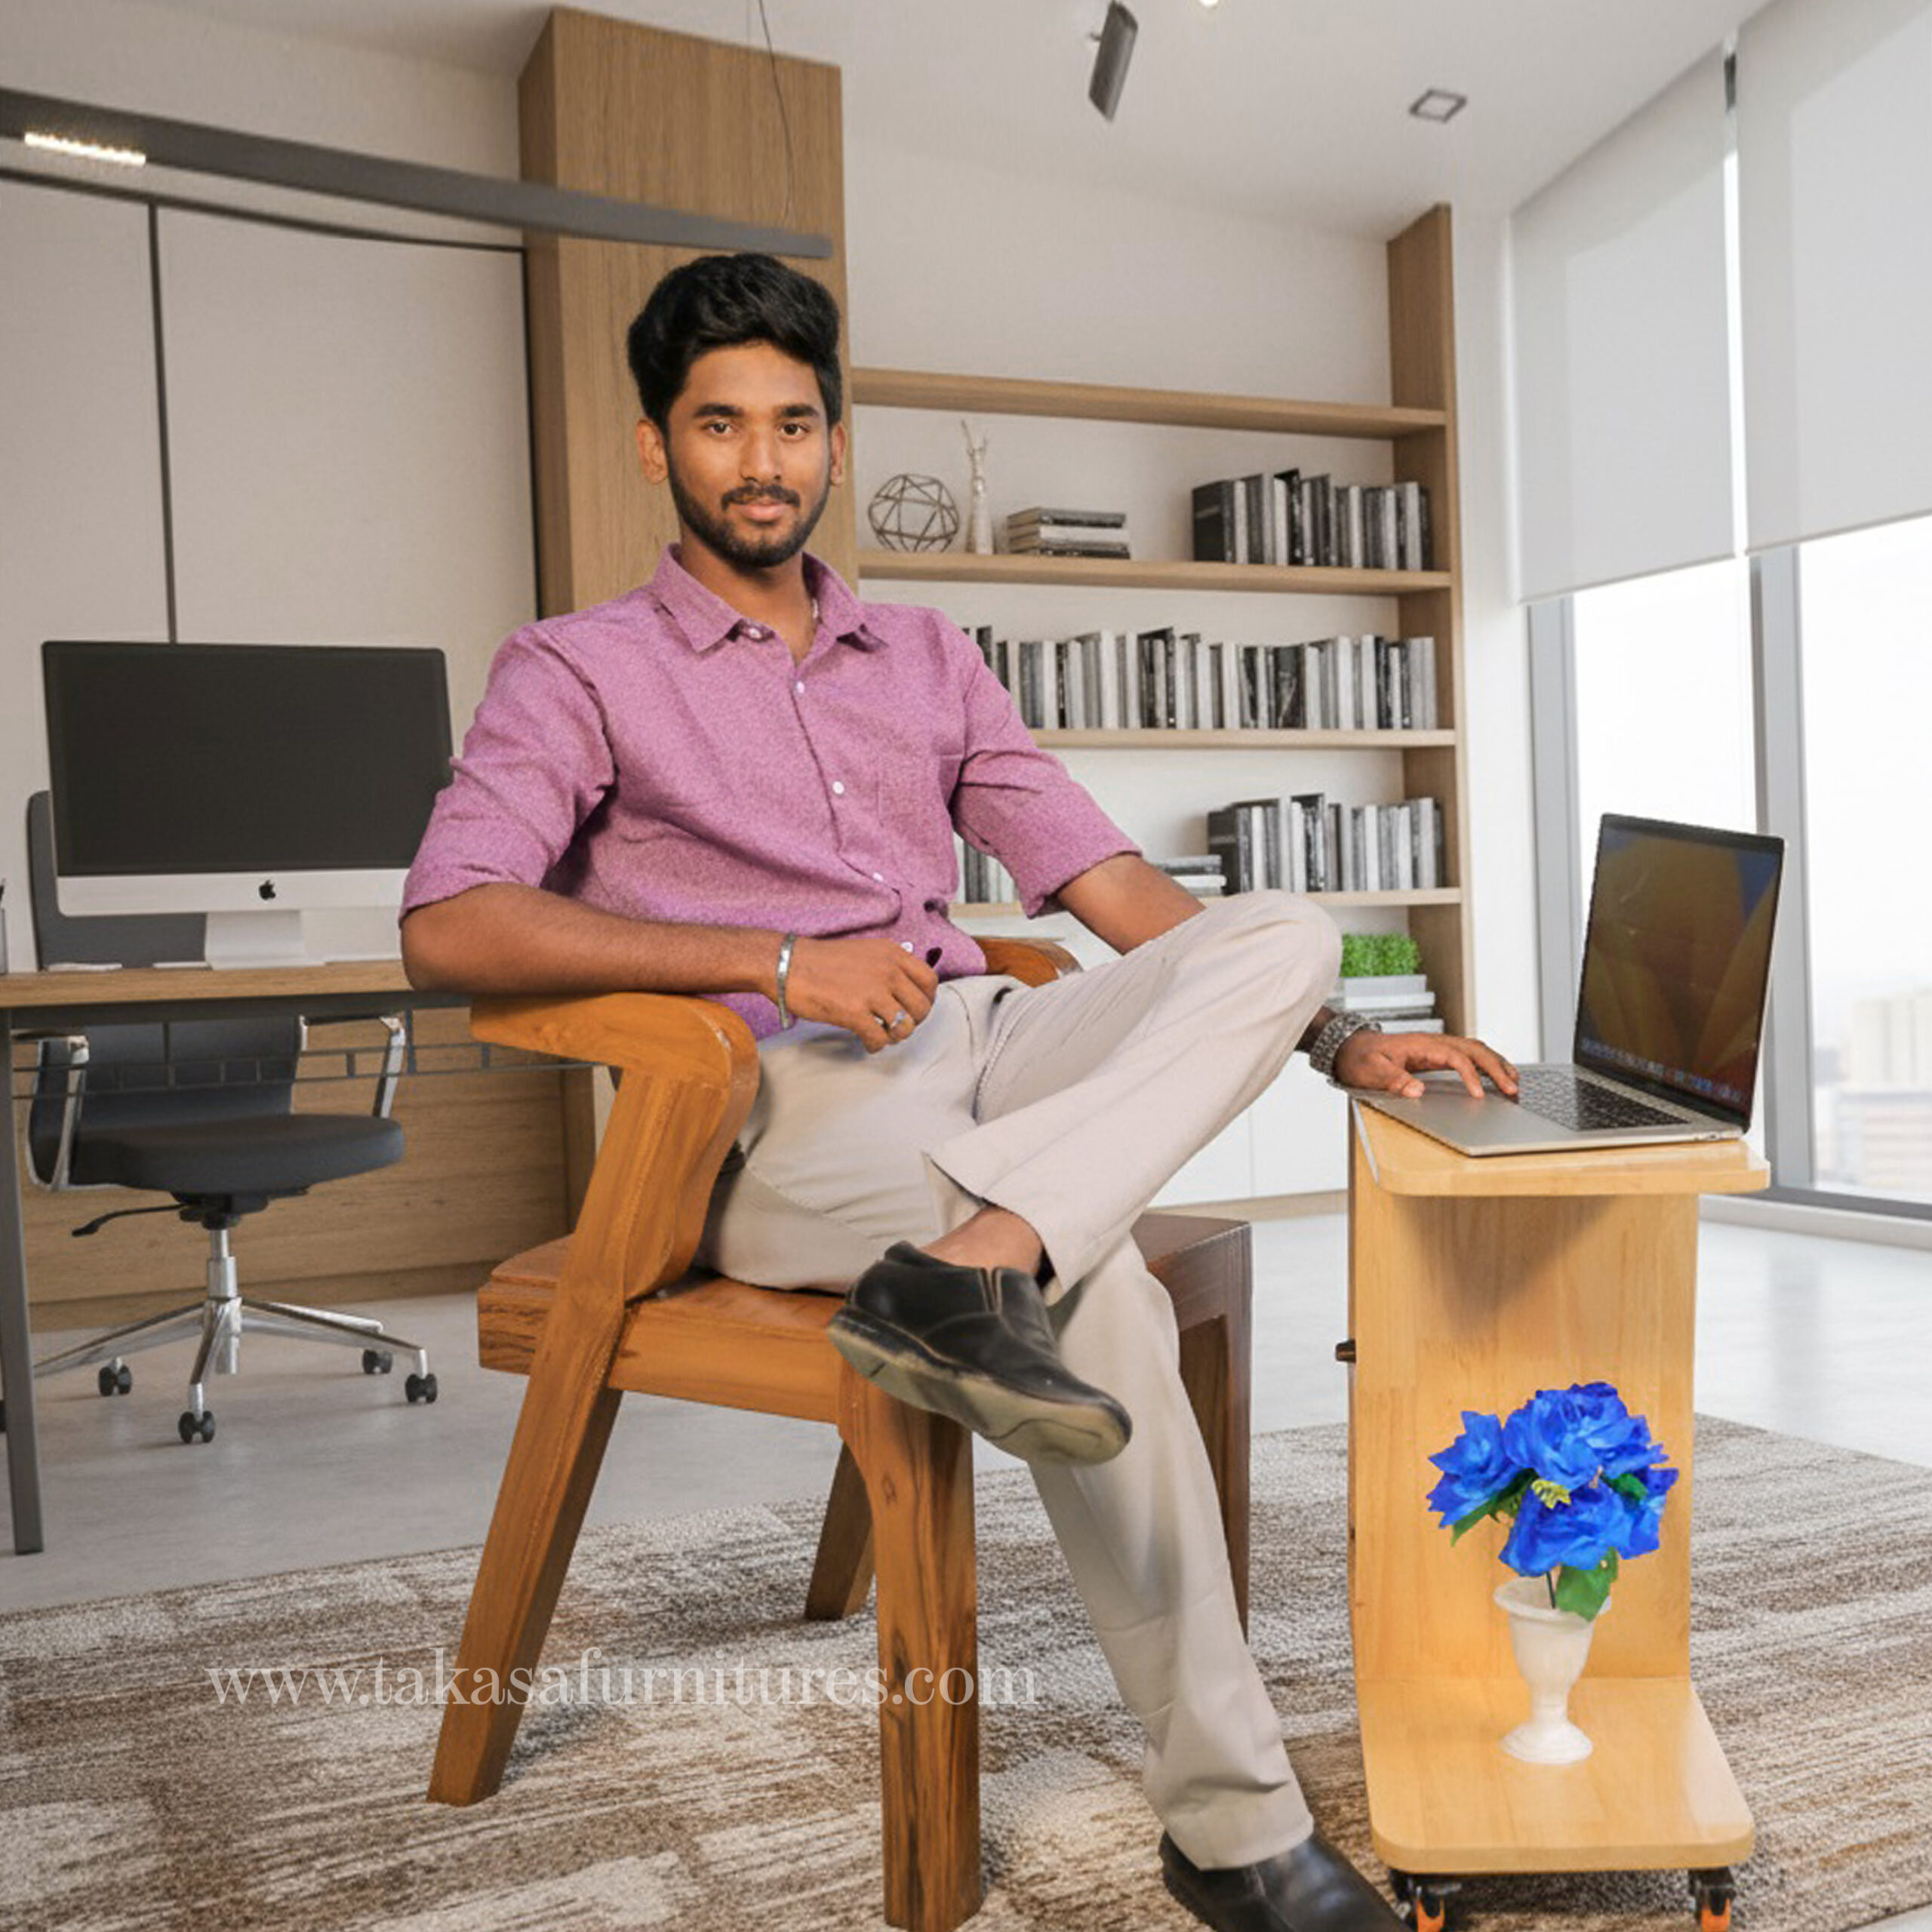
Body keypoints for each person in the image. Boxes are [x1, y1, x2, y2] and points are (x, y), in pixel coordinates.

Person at [401, 251, 1517, 1932]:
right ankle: (1233, 1830)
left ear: (834, 439)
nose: (760, 459)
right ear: (657, 447)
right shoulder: (574, 667)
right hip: (770, 1099)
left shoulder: (923, 650)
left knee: (1284, 923)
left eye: (792, 422)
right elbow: (450, 919)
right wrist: (779, 959)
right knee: (1108, 1289)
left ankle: (984, 1253)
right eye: (719, 425)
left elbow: (1095, 874)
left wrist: (1335, 1041)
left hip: (984, 1043)